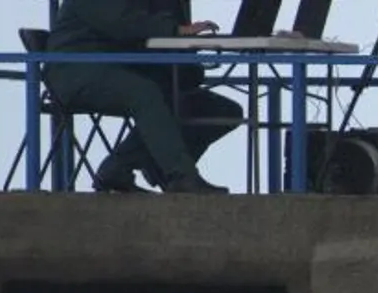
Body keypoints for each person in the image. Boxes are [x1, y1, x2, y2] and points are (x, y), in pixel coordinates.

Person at [44, 0, 242, 194]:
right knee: (145, 94)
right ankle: (181, 175)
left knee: (215, 108)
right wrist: (176, 30)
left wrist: (178, 38)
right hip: (76, 70)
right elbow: (121, 23)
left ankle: (125, 167)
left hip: (119, 66)